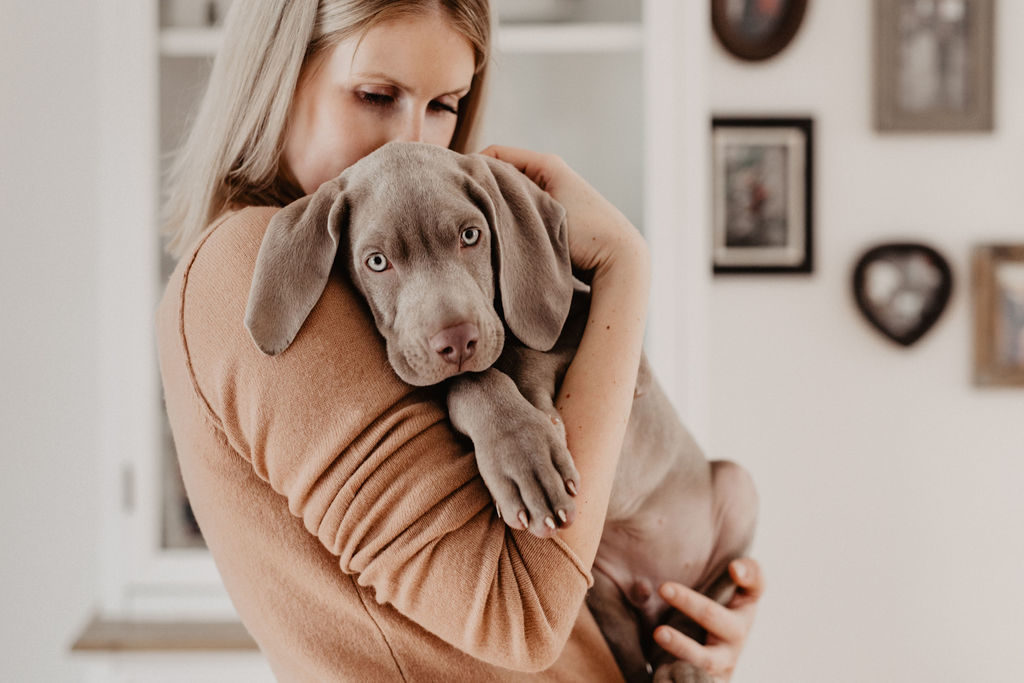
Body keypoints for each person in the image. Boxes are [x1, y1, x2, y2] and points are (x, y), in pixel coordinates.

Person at [156, 1, 764, 680]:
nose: (410, 144)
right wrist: (624, 268)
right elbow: (520, 613)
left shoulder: (376, 258)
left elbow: (549, 572)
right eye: (376, 95)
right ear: (277, 77)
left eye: (445, 104)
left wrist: (673, 643)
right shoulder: (254, 265)